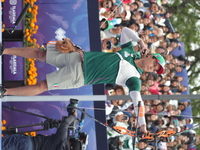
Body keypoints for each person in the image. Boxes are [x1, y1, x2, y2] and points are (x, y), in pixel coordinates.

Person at [0, 27, 166, 133]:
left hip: (80, 76)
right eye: (155, 64)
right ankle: (4, 50)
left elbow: (138, 101)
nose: (153, 69)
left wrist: (143, 124)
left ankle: (4, 92)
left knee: (42, 85)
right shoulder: (131, 52)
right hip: (78, 57)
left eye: (155, 70)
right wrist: (141, 41)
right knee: (40, 54)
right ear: (150, 56)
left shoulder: (134, 79)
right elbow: (125, 31)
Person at [2, 111, 79, 150]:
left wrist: (73, 116)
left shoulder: (61, 139)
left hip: (28, 143)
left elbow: (65, 123)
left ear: (72, 141)